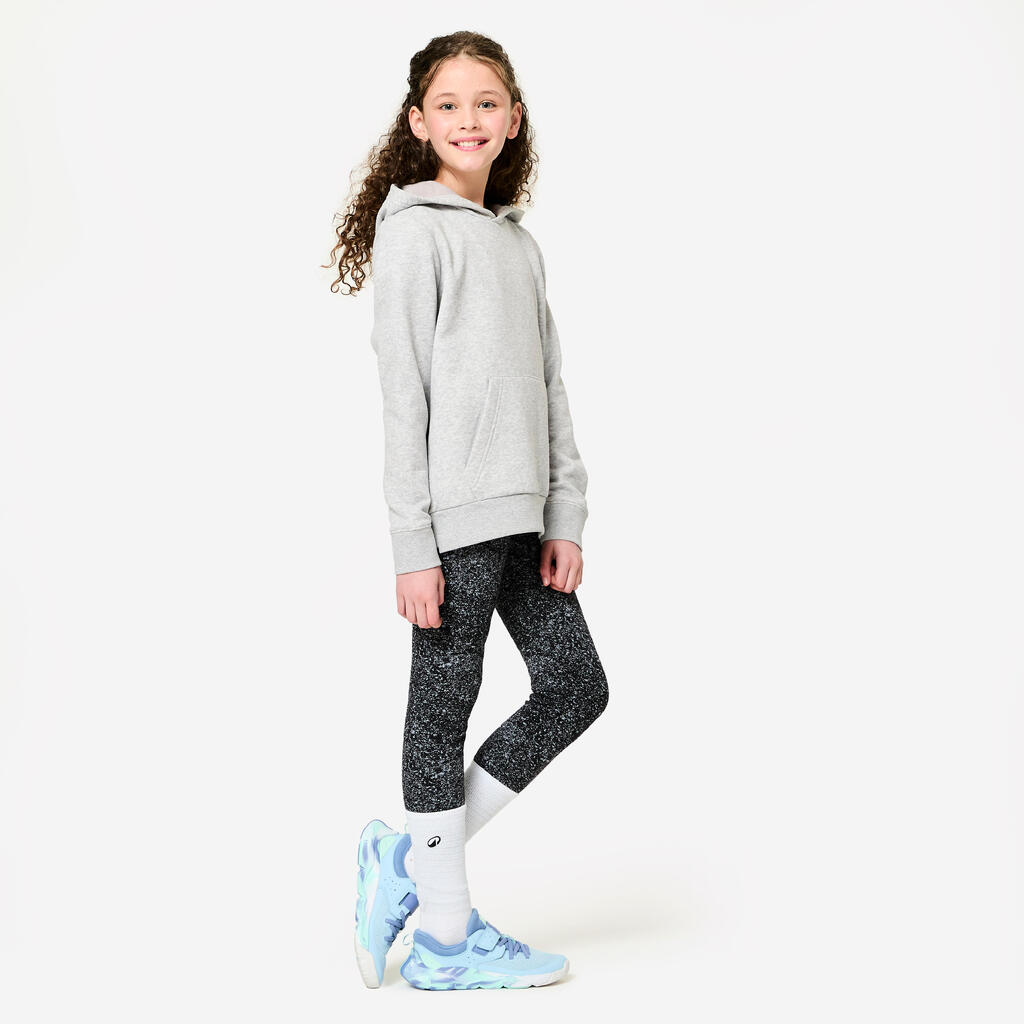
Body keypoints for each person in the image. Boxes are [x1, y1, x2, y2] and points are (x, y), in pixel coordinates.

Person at [325, 30, 609, 991]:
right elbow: (402, 395)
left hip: (525, 519)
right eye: (448, 104)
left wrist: (565, 513)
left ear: (513, 118)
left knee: (574, 687)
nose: (469, 119)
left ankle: (405, 860)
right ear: (418, 122)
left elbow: (550, 386)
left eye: (487, 102)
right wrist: (412, 542)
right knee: (441, 713)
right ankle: (446, 940)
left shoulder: (518, 245)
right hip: (452, 522)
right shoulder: (415, 233)